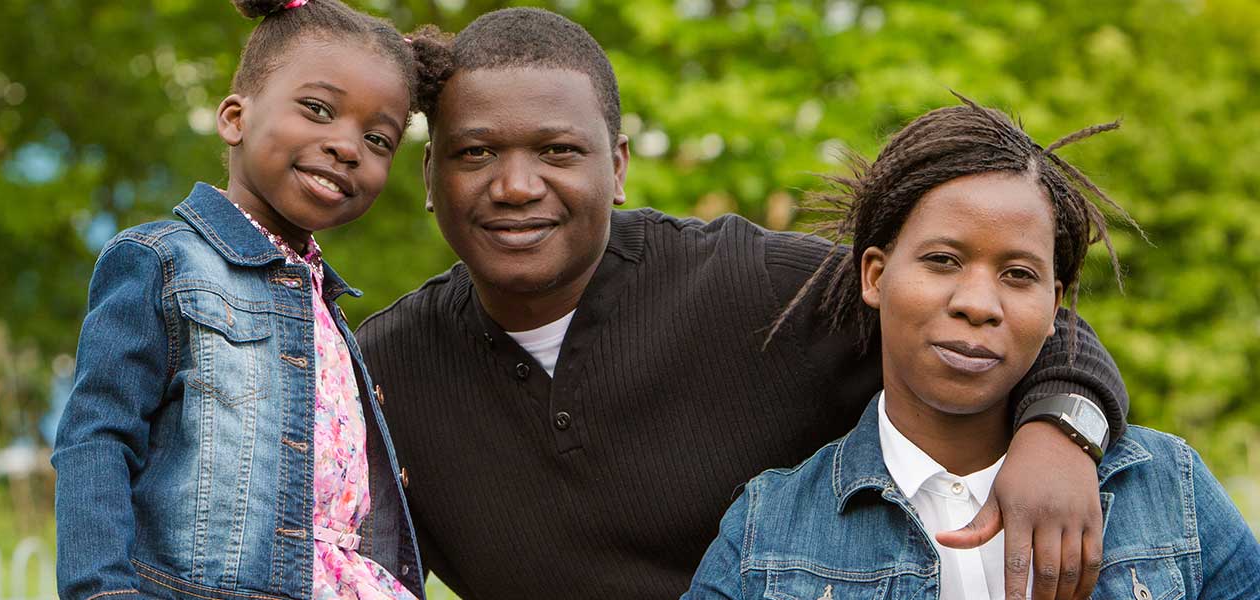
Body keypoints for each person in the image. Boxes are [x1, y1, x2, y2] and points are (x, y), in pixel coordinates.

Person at [356, 8, 1128, 600]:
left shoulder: (750, 284)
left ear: (618, 166)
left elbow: (1005, 317)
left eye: (559, 151)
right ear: (430, 178)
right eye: (475, 153)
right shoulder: (382, 370)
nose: (517, 185)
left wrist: (1060, 433)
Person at [684, 95, 1260, 599]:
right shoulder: (768, 532)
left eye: (1018, 274)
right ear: (876, 277)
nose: (980, 303)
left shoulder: (1168, 491)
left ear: (1055, 304)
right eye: (942, 260)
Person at [51, 2, 442, 598]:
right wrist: (102, 591)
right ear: (235, 117)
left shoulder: (323, 305)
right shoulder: (166, 262)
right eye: (317, 109)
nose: (346, 146)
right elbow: (97, 438)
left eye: (377, 138)